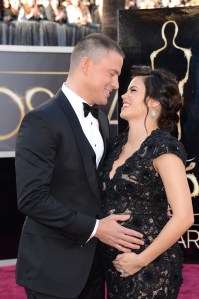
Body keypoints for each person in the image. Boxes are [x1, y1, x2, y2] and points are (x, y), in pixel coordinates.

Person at [15, 33, 144, 299]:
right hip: (52, 269)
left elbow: (105, 183)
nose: (115, 84)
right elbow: (31, 198)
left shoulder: (102, 120)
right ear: (86, 65)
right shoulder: (41, 120)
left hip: (94, 267)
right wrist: (96, 229)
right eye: (111, 73)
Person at [98, 65, 194, 298]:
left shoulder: (164, 147)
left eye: (133, 90)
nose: (123, 95)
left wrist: (140, 260)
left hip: (151, 266)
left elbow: (184, 217)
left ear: (154, 103)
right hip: (114, 264)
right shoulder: (116, 144)